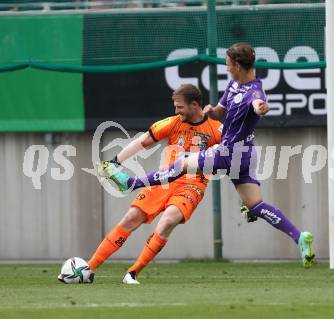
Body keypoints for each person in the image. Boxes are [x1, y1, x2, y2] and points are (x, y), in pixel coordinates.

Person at [100, 43, 315, 268]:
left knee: (181, 164)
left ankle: (130, 183)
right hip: (245, 153)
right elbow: (221, 110)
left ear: (239, 66)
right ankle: (300, 237)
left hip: (229, 152)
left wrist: (262, 108)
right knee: (255, 205)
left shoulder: (254, 91)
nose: (227, 68)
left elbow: (258, 104)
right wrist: (212, 111)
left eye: (229, 65)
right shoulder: (234, 84)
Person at [89, 84, 223, 284]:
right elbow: (143, 141)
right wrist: (115, 161)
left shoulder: (216, 129)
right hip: (163, 180)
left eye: (180, 107)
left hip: (192, 185)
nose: (176, 111)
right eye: (175, 107)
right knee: (130, 218)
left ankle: (132, 273)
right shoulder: (172, 123)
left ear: (194, 105)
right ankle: (88, 269)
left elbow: (236, 154)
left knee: (167, 221)